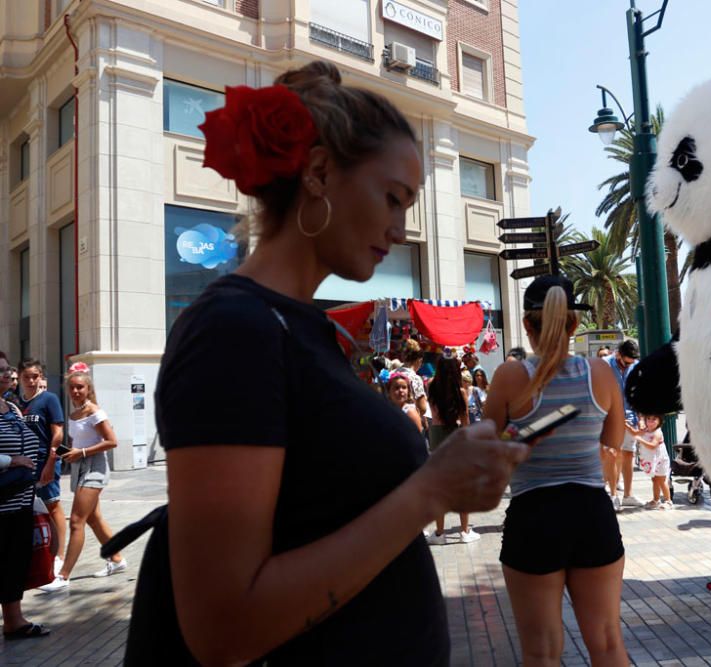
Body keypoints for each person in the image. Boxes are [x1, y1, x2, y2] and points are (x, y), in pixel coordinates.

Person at [129, 61, 528, 665]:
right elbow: (224, 627)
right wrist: (429, 493)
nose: (399, 229)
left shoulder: (299, 327)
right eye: (393, 199)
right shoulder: (234, 331)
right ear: (318, 172)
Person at [484, 274, 628, 666]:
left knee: (541, 653)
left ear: (527, 325)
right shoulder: (599, 374)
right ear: (574, 323)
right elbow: (613, 441)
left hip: (533, 517)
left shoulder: (510, 377)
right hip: (592, 514)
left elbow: (485, 449)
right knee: (608, 644)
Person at [39, 365, 125, 592]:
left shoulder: (94, 411)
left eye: (80, 387)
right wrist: (71, 452)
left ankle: (63, 575)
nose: (76, 391)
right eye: (73, 387)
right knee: (93, 519)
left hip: (94, 467)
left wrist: (82, 453)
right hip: (78, 466)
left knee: (76, 520)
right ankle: (117, 558)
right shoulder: (74, 413)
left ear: (88, 389)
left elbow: (112, 441)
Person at [0, 354, 48, 640]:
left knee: (13, 562)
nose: (6, 374)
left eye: (7, 369)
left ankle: (14, 621)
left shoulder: (12, 408)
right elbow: (15, 456)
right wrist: (10, 460)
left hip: (19, 500)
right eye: (0, 371)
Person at [17, 359, 67, 574]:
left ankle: (59, 556)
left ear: (41, 377)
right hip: (24, 466)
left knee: (52, 507)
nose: (31, 380)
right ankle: (38, 554)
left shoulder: (49, 399)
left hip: (46, 462)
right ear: (19, 377)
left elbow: (58, 433)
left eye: (35, 376)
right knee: (30, 510)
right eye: (26, 376)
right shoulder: (16, 402)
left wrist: (50, 462)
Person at [426, 354, 479, 544]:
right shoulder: (460, 391)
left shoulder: (431, 386)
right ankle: (464, 532)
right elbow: (465, 421)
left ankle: (440, 533)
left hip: (437, 436)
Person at [605, 340, 641, 511]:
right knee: (613, 454)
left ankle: (628, 495)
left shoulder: (636, 366)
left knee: (628, 455)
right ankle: (613, 495)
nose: (628, 365)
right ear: (618, 354)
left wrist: (640, 416)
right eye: (626, 362)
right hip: (611, 418)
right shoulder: (604, 366)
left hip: (630, 417)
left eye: (631, 362)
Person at [634, 414, 672, 509]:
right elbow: (636, 433)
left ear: (659, 421)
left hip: (661, 460)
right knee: (654, 479)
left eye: (654, 419)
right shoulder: (646, 430)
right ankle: (656, 500)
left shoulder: (657, 433)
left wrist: (640, 440)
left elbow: (653, 445)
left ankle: (668, 501)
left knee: (662, 481)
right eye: (648, 419)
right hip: (653, 459)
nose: (650, 422)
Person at [399, 338, 430, 429]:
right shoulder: (415, 378)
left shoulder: (392, 373)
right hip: (410, 423)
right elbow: (422, 408)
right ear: (419, 360)